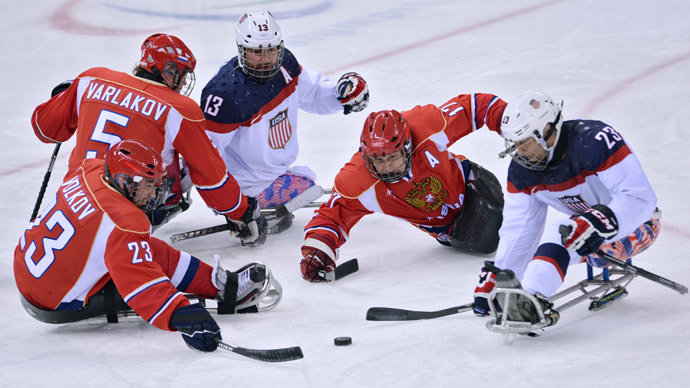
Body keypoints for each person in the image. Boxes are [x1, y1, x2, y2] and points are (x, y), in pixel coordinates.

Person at [14, 140, 282, 352]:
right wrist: (181, 315)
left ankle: (219, 283)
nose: (153, 193)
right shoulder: (125, 221)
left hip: (27, 266)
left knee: (143, 249)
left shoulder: (90, 168)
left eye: (155, 184)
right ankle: (223, 288)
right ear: (122, 181)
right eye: (146, 185)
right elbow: (141, 284)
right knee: (142, 256)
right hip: (54, 300)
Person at [30, 33, 266, 246]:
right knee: (186, 161)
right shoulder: (179, 108)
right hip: (126, 215)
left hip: (73, 201)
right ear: (169, 70)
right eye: (182, 75)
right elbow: (209, 178)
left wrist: (62, 97)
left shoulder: (91, 79)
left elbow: (44, 129)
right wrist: (242, 212)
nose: (183, 83)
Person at [472, 90, 660, 326]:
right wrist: (499, 275)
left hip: (638, 224)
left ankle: (531, 297)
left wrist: (599, 223)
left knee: (565, 230)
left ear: (548, 131)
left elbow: (640, 198)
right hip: (583, 231)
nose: (520, 153)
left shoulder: (595, 141)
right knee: (563, 232)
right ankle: (529, 300)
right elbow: (519, 227)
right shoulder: (522, 170)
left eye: (526, 143)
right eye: (516, 145)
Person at [299, 93, 507, 282]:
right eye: (378, 160)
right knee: (486, 240)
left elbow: (474, 106)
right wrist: (318, 252)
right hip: (452, 229)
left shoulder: (426, 125)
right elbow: (332, 215)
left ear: (407, 147)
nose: (387, 167)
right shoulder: (358, 181)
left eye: (392, 157)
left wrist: (510, 124)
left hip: (472, 185)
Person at [201, 11, 370, 231]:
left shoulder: (285, 65)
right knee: (306, 184)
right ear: (240, 49)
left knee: (306, 183)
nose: (266, 59)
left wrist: (342, 95)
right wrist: (234, 206)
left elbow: (314, 93)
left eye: (271, 50)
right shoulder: (226, 94)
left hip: (271, 172)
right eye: (256, 52)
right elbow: (205, 157)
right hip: (245, 185)